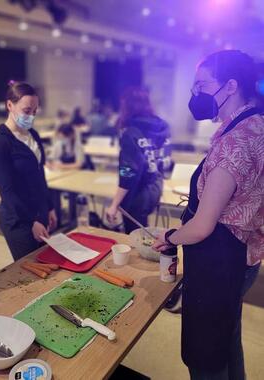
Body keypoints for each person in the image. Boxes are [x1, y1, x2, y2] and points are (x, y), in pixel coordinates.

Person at [153, 50, 263, 380]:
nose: (196, 94)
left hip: (220, 262)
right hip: (243, 257)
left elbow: (201, 228)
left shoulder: (236, 142)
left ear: (230, 86)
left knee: (205, 355)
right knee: (227, 341)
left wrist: (169, 236)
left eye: (202, 85)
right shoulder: (255, 122)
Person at [0, 81, 57, 260]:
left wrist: (49, 207)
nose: (31, 116)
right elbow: (7, 191)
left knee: (47, 264)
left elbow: (40, 175)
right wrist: (30, 222)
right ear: (10, 105)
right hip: (18, 220)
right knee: (31, 270)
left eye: (35, 111)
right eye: (27, 111)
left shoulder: (33, 135)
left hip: (39, 212)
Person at [106, 87, 172, 233]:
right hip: (155, 188)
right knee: (143, 232)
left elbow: (128, 173)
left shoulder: (131, 133)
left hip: (137, 194)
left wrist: (114, 205)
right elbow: (164, 161)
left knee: (134, 236)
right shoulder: (162, 127)